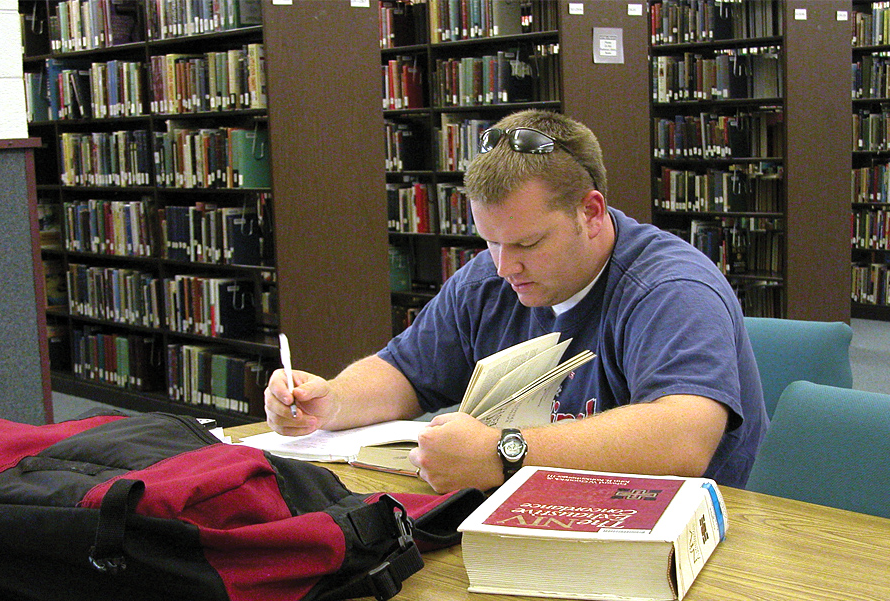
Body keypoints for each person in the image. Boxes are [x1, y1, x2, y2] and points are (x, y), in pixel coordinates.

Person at [265, 109, 768, 493]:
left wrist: (504, 453)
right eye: (490, 241)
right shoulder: (492, 278)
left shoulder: (669, 290)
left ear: (591, 213)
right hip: (542, 514)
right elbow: (404, 372)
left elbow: (683, 438)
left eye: (527, 244)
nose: (505, 267)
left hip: (683, 538)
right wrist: (331, 402)